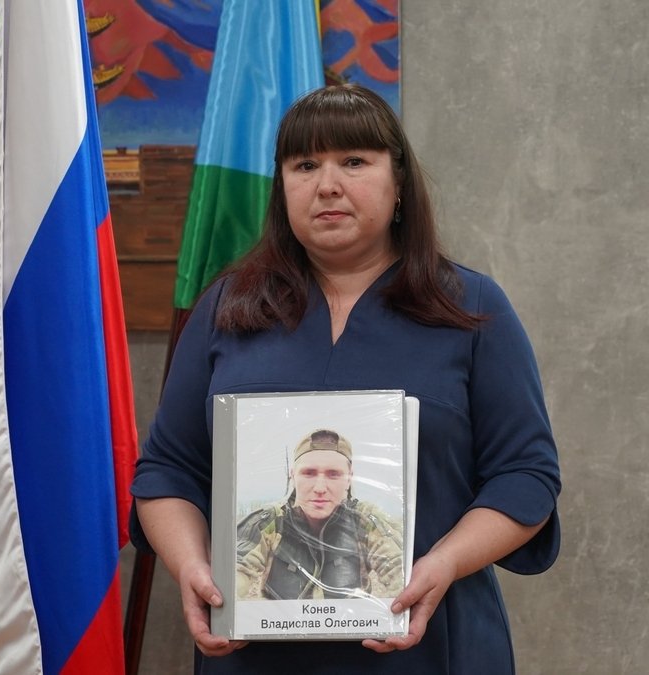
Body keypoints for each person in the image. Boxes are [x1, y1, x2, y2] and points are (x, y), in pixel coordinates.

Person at [131, 83, 561, 674]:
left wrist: (444, 563)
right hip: (251, 655)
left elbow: (525, 477)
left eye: (354, 162)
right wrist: (191, 568)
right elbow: (167, 470)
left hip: (430, 645)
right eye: (305, 165)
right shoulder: (226, 309)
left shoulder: (471, 307)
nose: (327, 184)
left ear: (398, 181)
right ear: (282, 186)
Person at [235, 429, 405, 601]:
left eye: (333, 475)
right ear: (293, 476)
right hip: (281, 619)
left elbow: (402, 573)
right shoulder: (269, 523)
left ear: (349, 479)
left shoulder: (365, 521)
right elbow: (233, 573)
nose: (320, 488)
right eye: (309, 473)